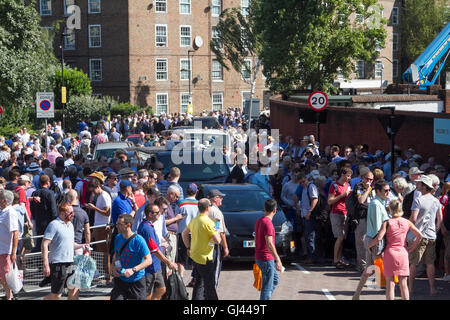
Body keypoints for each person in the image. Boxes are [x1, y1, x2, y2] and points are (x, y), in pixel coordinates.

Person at [368, 200, 423, 300]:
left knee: (390, 284)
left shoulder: (387, 223)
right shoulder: (407, 222)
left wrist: (369, 245)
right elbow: (420, 235)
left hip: (390, 253)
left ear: (390, 209)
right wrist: (412, 247)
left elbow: (379, 238)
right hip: (403, 252)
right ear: (400, 209)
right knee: (403, 284)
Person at [41, 202, 89, 300]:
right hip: (58, 264)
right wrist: (46, 264)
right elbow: (44, 244)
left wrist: (82, 246)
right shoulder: (54, 224)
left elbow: (71, 244)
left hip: (70, 262)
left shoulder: (70, 225)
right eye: (70, 213)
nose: (73, 214)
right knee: (56, 295)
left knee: (74, 289)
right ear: (62, 213)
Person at [353, 180, 390, 300]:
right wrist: (376, 245)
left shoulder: (379, 203)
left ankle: (357, 294)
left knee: (370, 270)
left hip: (374, 240)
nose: (388, 193)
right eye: (385, 190)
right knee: (381, 271)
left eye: (389, 190)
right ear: (378, 191)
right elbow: (378, 228)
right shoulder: (376, 204)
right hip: (375, 240)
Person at [408, 175, 443, 296]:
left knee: (413, 263)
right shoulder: (436, 200)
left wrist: (406, 229)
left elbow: (413, 218)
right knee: (430, 263)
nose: (417, 185)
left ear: (424, 186)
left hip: (418, 235)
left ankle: (410, 289)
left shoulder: (418, 200)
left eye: (419, 183)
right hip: (431, 235)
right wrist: (436, 230)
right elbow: (440, 218)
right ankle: (432, 289)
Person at [182, 198, 221, 300]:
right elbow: (217, 240)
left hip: (195, 255)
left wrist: (188, 247)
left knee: (199, 282)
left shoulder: (195, 219)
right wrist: (217, 233)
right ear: (208, 208)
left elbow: (184, 233)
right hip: (205, 257)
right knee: (209, 284)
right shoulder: (208, 222)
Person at [138, 204, 177, 300]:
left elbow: (155, 245)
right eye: (157, 213)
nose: (160, 214)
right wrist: (168, 262)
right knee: (147, 294)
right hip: (149, 267)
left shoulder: (150, 226)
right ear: (150, 214)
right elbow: (154, 250)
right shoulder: (146, 228)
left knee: (162, 289)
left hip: (156, 265)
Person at [110, 213, 152, 300]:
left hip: (137, 280)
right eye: (116, 224)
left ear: (128, 225)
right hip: (121, 280)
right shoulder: (118, 237)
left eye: (119, 224)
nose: (117, 226)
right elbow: (116, 254)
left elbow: (148, 260)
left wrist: (133, 270)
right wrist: (113, 267)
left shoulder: (138, 240)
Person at [254, 199, 283, 300]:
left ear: (264, 208)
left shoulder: (259, 221)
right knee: (267, 286)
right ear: (275, 210)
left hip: (260, 256)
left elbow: (256, 238)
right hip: (266, 258)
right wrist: (278, 259)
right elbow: (270, 243)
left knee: (274, 280)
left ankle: (266, 298)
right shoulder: (268, 224)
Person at [85, 174, 112, 282]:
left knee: (104, 253)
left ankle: (107, 276)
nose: (93, 193)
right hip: (98, 227)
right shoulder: (100, 196)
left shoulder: (104, 196)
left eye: (93, 191)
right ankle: (105, 275)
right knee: (101, 253)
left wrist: (94, 208)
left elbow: (107, 212)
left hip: (102, 227)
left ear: (97, 187)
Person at [328, 167, 353, 269]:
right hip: (336, 213)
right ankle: (335, 260)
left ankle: (339, 258)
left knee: (342, 238)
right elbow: (330, 201)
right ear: (342, 175)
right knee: (340, 237)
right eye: (348, 175)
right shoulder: (334, 186)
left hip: (345, 213)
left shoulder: (347, 185)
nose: (349, 178)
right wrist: (343, 195)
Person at [176, 183, 199, 281]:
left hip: (182, 233)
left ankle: (181, 279)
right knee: (195, 257)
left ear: (186, 191)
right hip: (195, 234)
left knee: (181, 258)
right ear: (196, 192)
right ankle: (194, 278)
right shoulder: (199, 204)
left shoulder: (181, 203)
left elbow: (177, 218)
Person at [353, 168, 375, 272]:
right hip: (361, 217)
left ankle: (369, 265)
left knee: (369, 242)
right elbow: (361, 200)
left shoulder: (374, 187)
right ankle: (361, 265)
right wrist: (367, 190)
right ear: (362, 178)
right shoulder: (359, 186)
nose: (369, 181)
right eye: (367, 179)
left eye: (371, 180)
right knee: (361, 242)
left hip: (371, 217)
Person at [30, 174, 58, 251]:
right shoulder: (50, 193)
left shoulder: (35, 193)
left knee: (39, 241)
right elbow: (53, 209)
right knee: (48, 241)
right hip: (49, 221)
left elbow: (31, 208)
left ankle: (39, 258)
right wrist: (55, 220)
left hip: (38, 220)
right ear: (48, 182)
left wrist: (35, 216)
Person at [208, 189, 230, 288]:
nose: (222, 199)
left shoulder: (206, 209)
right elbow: (220, 232)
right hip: (214, 245)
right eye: (220, 197)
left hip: (205, 244)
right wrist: (225, 247)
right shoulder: (216, 212)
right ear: (215, 199)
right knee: (214, 272)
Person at [0, 190, 19, 300]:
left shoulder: (10, 212)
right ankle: (9, 296)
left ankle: (9, 296)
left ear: (4, 201)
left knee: (5, 277)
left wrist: (13, 252)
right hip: (1, 249)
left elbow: (15, 233)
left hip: (5, 250)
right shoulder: (2, 210)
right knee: (2, 276)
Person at [298, 172, 319, 264]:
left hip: (309, 216)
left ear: (306, 179)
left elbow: (315, 199)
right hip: (305, 215)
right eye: (301, 182)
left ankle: (312, 257)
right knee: (307, 237)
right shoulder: (304, 188)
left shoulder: (311, 186)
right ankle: (310, 256)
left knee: (310, 236)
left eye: (303, 181)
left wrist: (309, 212)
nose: (302, 183)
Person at [65, 190, 90, 256]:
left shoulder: (64, 212)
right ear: (77, 197)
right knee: (78, 266)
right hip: (78, 245)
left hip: (66, 245)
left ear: (67, 198)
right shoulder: (83, 213)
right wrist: (88, 246)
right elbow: (87, 232)